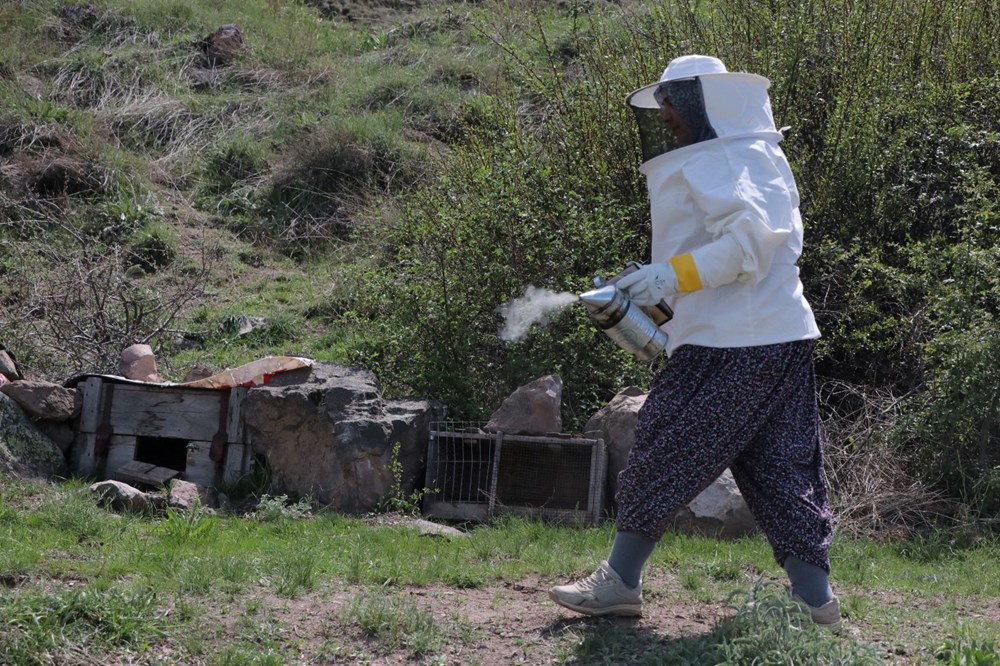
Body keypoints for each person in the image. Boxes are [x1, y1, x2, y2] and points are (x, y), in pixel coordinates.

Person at [549, 55, 840, 631]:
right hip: (774, 337)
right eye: (663, 103)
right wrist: (653, 288)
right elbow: (724, 249)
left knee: (663, 444)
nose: (666, 113)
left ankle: (619, 582)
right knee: (782, 469)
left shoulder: (728, 157)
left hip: (734, 344)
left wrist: (672, 278)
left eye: (674, 100)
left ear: (707, 101)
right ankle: (817, 604)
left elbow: (749, 245)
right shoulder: (748, 156)